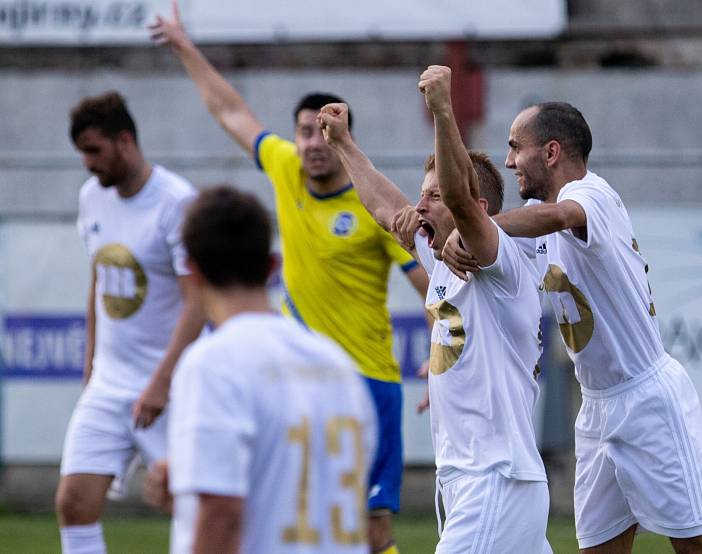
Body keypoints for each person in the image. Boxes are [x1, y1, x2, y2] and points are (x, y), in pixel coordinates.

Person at [149, 7, 427, 552]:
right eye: (306, 131)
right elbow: (230, 111)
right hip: (292, 378)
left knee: (371, 530)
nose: (314, 142)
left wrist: (445, 350)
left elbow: (432, 285)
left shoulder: (372, 206)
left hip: (365, 378)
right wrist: (184, 45)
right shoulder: (282, 167)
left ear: (344, 138)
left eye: (327, 131)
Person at [436, 102, 702, 553]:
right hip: (595, 407)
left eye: (516, 147)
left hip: (647, 397)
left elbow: (560, 217)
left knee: (697, 548)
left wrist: (485, 223)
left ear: (551, 152)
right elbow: (499, 271)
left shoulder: (593, 195)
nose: (509, 160)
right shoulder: (534, 216)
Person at [317, 64, 552, 553]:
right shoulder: (444, 257)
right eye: (422, 195)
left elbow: (464, 204)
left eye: (434, 196)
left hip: (494, 478)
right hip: (473, 477)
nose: (419, 206)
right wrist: (343, 145)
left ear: (477, 209)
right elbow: (385, 208)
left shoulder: (498, 261)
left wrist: (444, 111)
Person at [143, 186, 375, 553]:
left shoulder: (212, 363)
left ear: (193, 272)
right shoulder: (338, 366)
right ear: (273, 266)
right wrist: (190, 482)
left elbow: (222, 516)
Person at [55, 91, 206, 554]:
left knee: (196, 510)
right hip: (108, 386)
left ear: (125, 140)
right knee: (73, 503)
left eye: (94, 150)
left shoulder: (176, 202)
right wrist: (91, 371)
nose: (87, 163)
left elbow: (197, 302)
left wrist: (160, 383)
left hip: (170, 389)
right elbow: (98, 284)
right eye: (81, 152)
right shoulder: (91, 199)